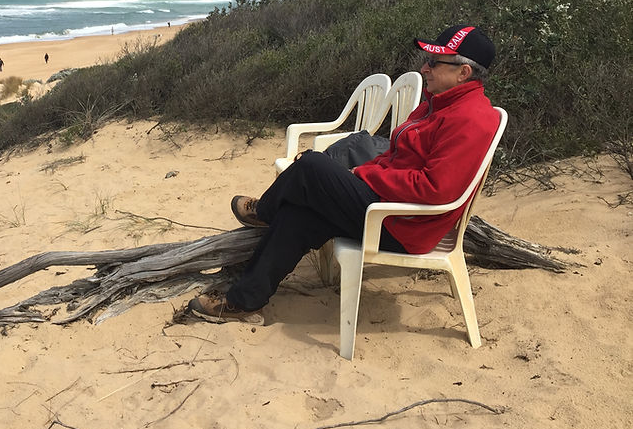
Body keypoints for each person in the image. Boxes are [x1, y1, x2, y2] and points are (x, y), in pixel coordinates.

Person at [189, 25, 500, 325]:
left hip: (403, 226)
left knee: (311, 165)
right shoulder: (436, 105)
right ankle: (244, 300)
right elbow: (395, 157)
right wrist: (363, 174)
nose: (424, 69)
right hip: (387, 207)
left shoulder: (471, 118)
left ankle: (265, 211)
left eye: (434, 62)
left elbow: (436, 188)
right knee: (299, 214)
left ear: (464, 73)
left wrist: (363, 177)